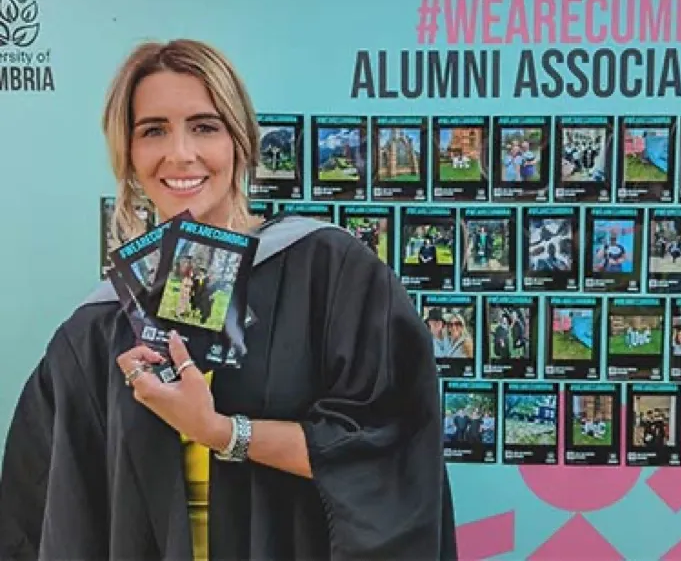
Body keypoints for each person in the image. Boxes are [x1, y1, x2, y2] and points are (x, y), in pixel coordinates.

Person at [0, 39, 458, 561]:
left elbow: (387, 441)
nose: (180, 153)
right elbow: (43, 507)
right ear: (128, 152)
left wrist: (220, 432)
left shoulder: (329, 273)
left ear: (239, 141)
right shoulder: (98, 326)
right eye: (153, 130)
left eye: (204, 126)